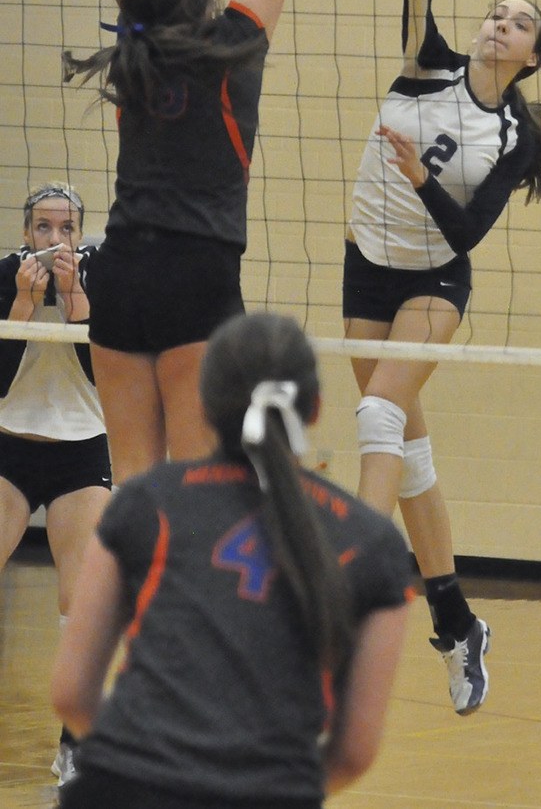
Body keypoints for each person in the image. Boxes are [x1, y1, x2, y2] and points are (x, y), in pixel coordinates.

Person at [61, 0, 354, 485]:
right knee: (195, 483)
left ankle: (123, 606)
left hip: (119, 270)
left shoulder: (132, 52)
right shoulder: (234, 47)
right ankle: (185, 606)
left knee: (131, 480)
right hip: (197, 273)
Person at [343, 0, 541, 716]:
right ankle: (456, 621)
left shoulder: (510, 136)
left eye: (516, 24)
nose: (498, 26)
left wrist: (418, 179)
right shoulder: (430, 67)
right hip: (366, 262)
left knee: (378, 412)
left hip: (435, 275)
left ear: (532, 58)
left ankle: (352, 582)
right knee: (404, 445)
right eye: (495, 14)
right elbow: (417, 25)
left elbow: (467, 233)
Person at [51, 310, 413, 809]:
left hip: (122, 788)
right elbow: (353, 753)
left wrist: (142, 759)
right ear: (314, 410)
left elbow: (71, 694)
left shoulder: (145, 503)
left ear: (203, 404)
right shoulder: (373, 543)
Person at [0, 182, 111, 786]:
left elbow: (106, 378)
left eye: (65, 229)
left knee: (80, 595)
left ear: (78, 235)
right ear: (25, 234)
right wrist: (20, 305)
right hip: (9, 447)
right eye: (42, 228)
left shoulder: (99, 277)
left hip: (80, 453)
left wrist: (73, 299)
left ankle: (75, 741)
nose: (53, 240)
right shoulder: (4, 275)